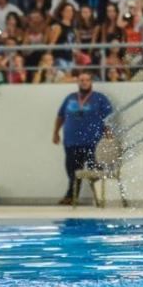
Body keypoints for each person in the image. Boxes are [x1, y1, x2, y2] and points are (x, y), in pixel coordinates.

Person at [53, 72, 113, 205]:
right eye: (81, 80)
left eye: (87, 80)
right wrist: (55, 132)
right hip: (72, 141)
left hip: (93, 142)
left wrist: (109, 135)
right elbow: (60, 116)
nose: (84, 82)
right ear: (78, 82)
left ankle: (99, 198)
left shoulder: (100, 98)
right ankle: (71, 197)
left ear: (91, 82)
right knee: (72, 171)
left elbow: (108, 119)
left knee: (95, 171)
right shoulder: (70, 98)